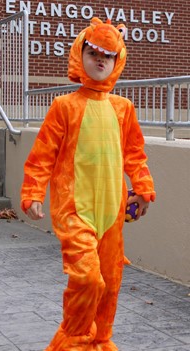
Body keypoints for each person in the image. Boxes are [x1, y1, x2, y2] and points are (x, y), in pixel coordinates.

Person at [21, 17, 156, 351]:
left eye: (107, 55)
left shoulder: (124, 108)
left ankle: (100, 339)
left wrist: (142, 186)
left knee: (109, 283)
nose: (100, 60)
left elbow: (134, 154)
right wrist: (33, 191)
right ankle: (73, 341)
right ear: (79, 54)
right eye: (93, 52)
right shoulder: (64, 106)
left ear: (117, 60)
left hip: (112, 213)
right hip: (74, 211)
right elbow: (43, 155)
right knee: (86, 277)